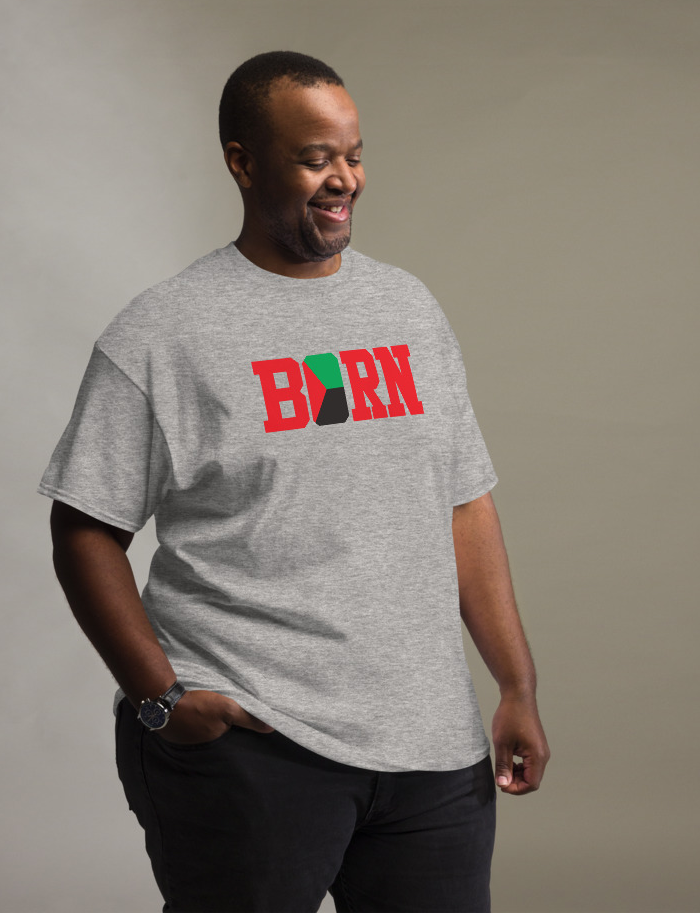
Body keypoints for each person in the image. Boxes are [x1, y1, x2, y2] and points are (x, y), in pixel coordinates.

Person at [39, 50, 549, 913]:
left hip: (431, 750)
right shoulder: (164, 331)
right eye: (315, 158)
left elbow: (464, 505)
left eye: (353, 155)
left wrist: (516, 686)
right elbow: (84, 528)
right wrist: (162, 701)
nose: (343, 178)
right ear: (243, 162)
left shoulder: (408, 310)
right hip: (255, 743)